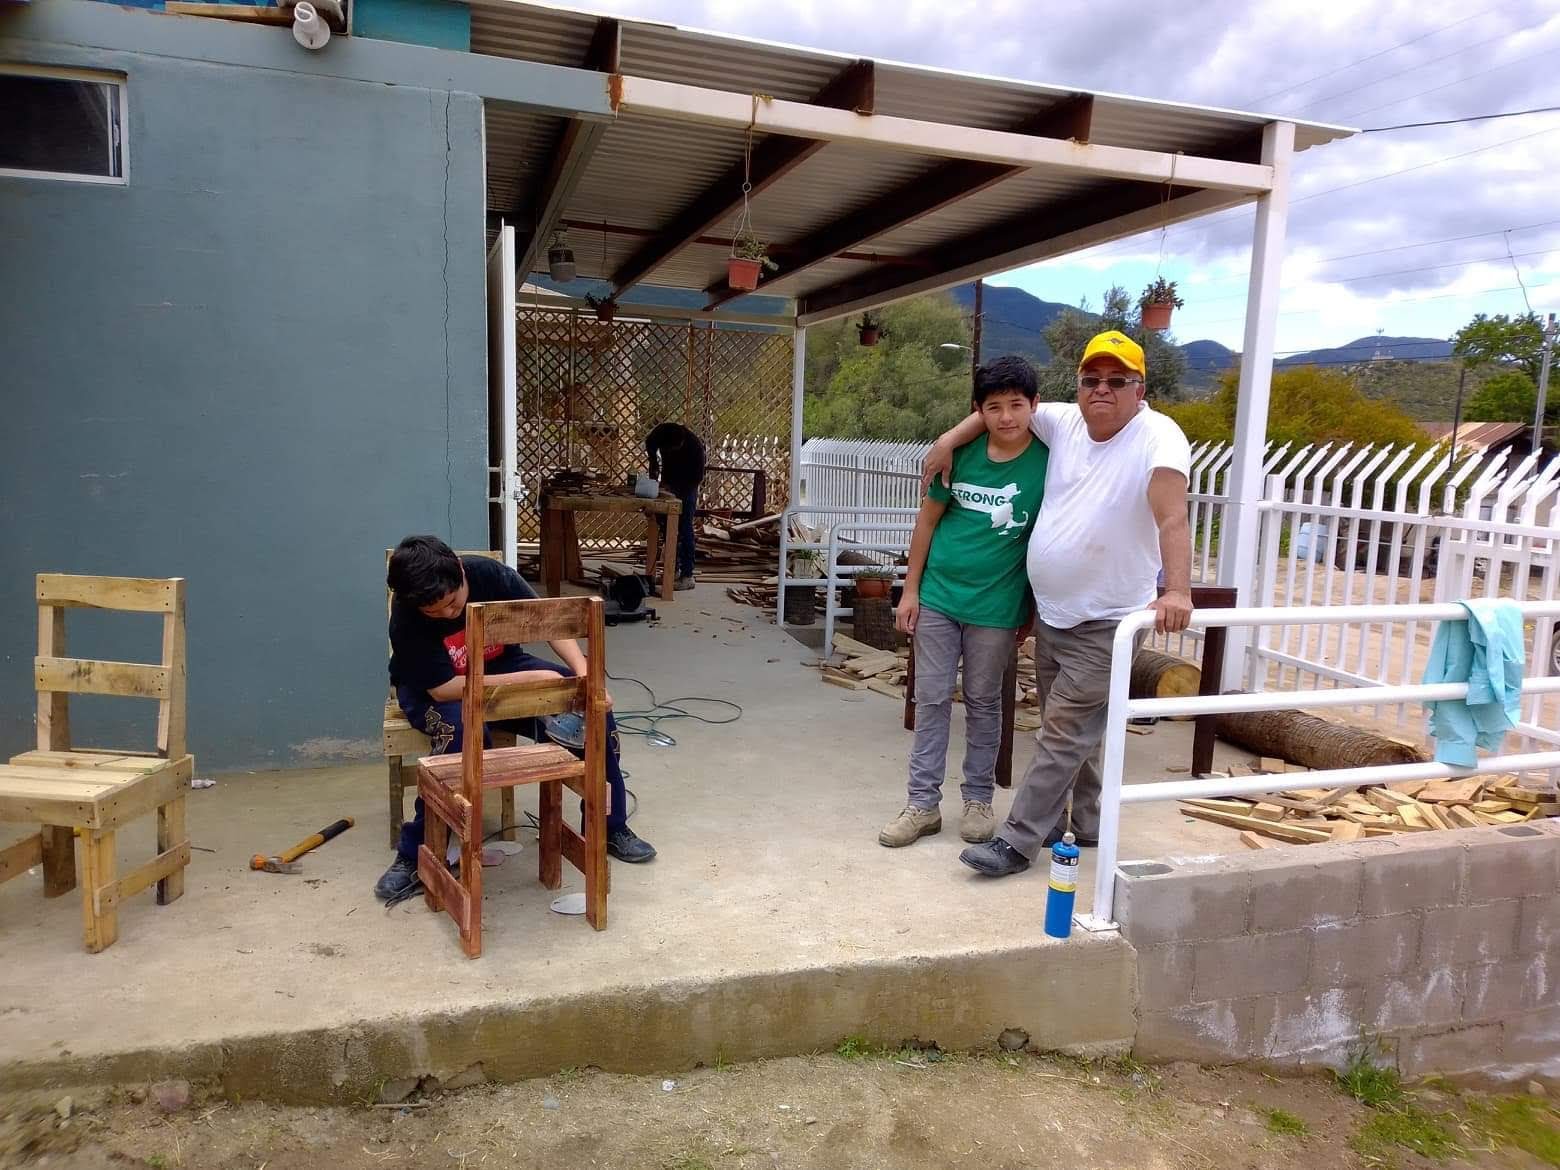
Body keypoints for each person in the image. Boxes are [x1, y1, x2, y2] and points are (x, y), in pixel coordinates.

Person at [920, 330, 1193, 878]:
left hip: (1109, 618)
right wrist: (949, 439)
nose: (1102, 390)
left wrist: (1178, 590)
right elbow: (1003, 409)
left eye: (1118, 381)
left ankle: (1019, 841)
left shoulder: (1158, 437)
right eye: (1092, 379)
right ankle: (1083, 820)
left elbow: (1171, 516)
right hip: (1053, 612)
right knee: (1073, 725)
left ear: (1141, 389)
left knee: (1062, 731)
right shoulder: (1065, 420)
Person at [374, 536, 656, 902]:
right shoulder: (408, 610)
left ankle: (608, 824)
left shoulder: (489, 575)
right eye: (436, 612)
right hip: (433, 686)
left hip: (500, 665)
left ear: (460, 572)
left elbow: (551, 623)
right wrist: (528, 681)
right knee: (458, 733)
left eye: (453, 603)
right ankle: (416, 853)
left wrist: (585, 676)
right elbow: (443, 688)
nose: (448, 614)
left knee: (590, 708)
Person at [880, 356, 1049, 850]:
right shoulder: (958, 456)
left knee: (983, 702)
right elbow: (927, 522)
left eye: (1017, 405)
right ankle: (922, 804)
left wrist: (1032, 608)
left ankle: (978, 799)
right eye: (994, 407)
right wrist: (910, 590)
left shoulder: (1048, 462)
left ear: (1034, 406)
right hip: (938, 598)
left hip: (997, 607)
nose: (1006, 417)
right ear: (979, 410)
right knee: (930, 699)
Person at [646, 421, 706, 591]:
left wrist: (676, 492)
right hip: (670, 480)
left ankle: (687, 575)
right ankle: (671, 572)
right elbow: (650, 446)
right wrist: (654, 465)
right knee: (666, 526)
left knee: (685, 527)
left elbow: (697, 478)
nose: (670, 452)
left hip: (687, 485)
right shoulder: (659, 435)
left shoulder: (695, 447)